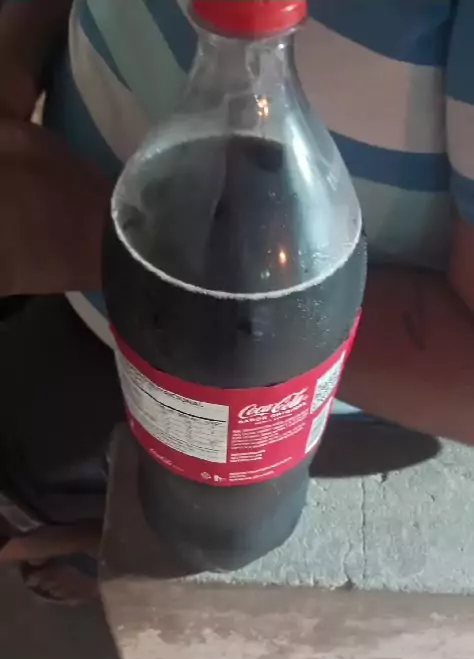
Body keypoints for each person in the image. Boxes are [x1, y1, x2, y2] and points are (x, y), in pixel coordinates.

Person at [0, 0, 472, 600]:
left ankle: (88, 550)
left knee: (103, 480)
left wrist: (103, 245)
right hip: (55, 222)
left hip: (211, 377)